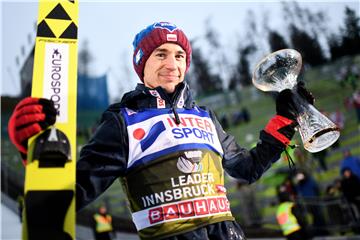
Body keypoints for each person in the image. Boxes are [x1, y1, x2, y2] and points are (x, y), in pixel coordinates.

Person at [7, 21, 315, 240]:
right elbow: (75, 189)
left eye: (179, 56)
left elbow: (246, 168)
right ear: (142, 64)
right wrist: (35, 153)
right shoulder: (122, 121)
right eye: (161, 54)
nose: (172, 63)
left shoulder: (205, 116)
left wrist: (284, 121)